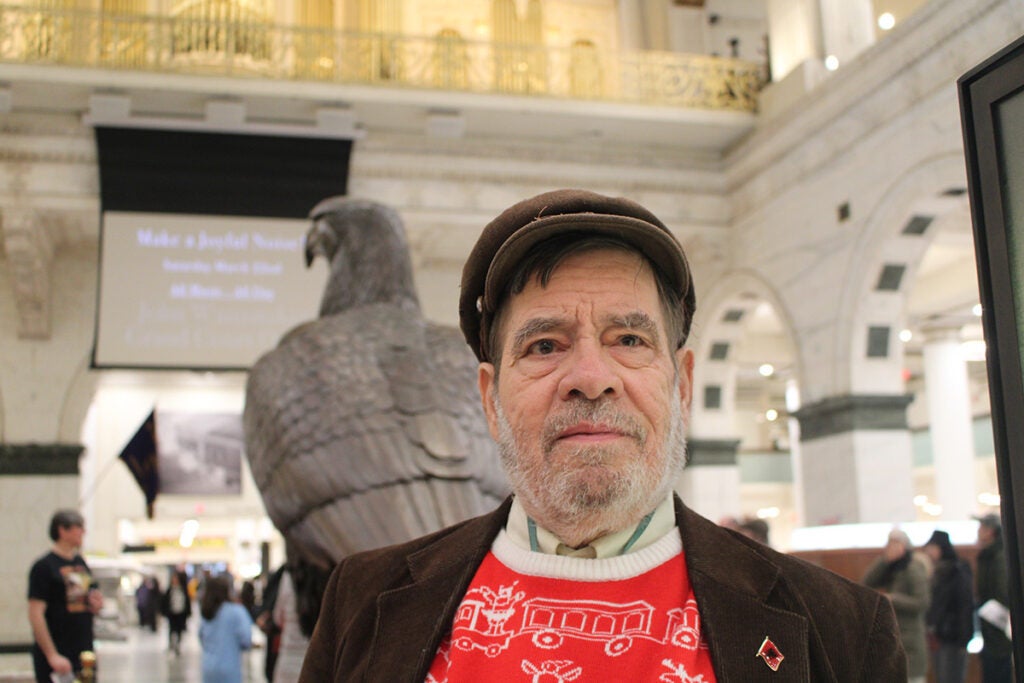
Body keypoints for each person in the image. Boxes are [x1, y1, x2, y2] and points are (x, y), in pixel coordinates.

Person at [299, 189, 907, 680]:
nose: (591, 379)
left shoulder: (841, 631)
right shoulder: (365, 602)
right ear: (489, 398)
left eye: (630, 340)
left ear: (683, 385)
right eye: (544, 345)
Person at [27, 509, 104, 683]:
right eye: (79, 527)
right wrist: (52, 654)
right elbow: (35, 613)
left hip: (83, 650)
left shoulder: (80, 563)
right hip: (58, 649)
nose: (83, 532)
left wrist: (96, 603)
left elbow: (90, 598)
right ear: (63, 530)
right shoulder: (44, 567)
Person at [862, 528, 931, 683]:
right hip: (895, 634)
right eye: (889, 544)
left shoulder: (913, 567)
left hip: (911, 637)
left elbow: (922, 602)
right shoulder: (891, 568)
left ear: (904, 546)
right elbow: (867, 582)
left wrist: (893, 599)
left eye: (895, 544)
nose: (891, 548)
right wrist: (884, 560)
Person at [922, 529, 974, 683]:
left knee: (950, 677)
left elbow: (965, 605)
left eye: (932, 548)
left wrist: (964, 639)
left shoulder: (956, 571)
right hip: (938, 635)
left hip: (953, 635)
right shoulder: (934, 572)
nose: (929, 553)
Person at [271, 557, 331, 683]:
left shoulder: (288, 579)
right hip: (315, 666)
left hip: (287, 661)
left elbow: (278, 618)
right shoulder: (329, 580)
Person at [975, 513, 1014, 683]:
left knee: (998, 672)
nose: (978, 531)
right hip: (990, 628)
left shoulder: (998, 556)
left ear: (991, 531)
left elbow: (1002, 592)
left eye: (982, 527)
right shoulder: (988, 554)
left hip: (998, 629)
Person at [199, 574, 253, 683]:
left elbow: (201, 636)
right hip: (229, 669)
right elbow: (246, 639)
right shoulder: (237, 611)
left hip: (208, 669)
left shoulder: (207, 613)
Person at [161, 569, 192, 655]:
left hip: (181, 613)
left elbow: (187, 602)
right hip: (172, 613)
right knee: (171, 629)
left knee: (179, 630)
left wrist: (188, 612)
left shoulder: (183, 590)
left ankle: (178, 645)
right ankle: (171, 645)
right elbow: (165, 601)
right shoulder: (170, 590)